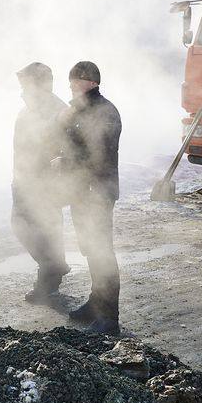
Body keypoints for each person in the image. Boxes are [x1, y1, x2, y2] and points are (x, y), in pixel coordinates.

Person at [56, 61, 122, 335]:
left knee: (101, 250)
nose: (72, 83)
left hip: (98, 190)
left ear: (93, 82)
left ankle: (109, 316)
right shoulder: (77, 109)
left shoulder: (104, 111)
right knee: (89, 248)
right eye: (71, 78)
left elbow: (101, 154)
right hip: (81, 191)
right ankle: (95, 304)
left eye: (78, 79)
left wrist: (66, 161)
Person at [11, 62, 71, 304]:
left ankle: (49, 281)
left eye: (25, 82)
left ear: (41, 83)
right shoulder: (28, 108)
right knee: (24, 225)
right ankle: (54, 267)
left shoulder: (58, 110)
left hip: (44, 182)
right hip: (24, 179)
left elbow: (69, 148)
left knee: (46, 229)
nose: (21, 88)